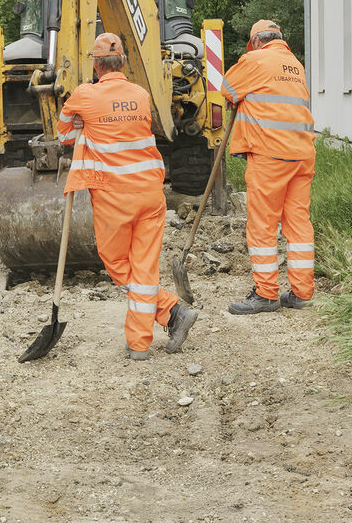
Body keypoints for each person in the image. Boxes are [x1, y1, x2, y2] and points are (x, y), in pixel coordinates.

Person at [55, 32, 199, 359]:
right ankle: (142, 341)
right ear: (122, 61)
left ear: (95, 63)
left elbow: (63, 131)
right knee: (145, 268)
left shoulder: (84, 95)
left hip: (114, 198)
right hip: (151, 193)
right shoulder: (140, 94)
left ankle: (170, 312)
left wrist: (83, 121)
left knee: (119, 266)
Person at [221, 19, 317, 314]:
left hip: (270, 155)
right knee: (298, 224)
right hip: (302, 154)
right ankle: (301, 293)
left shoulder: (255, 59)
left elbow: (227, 88)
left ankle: (266, 294)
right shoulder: (295, 65)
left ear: (257, 42)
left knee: (262, 225)